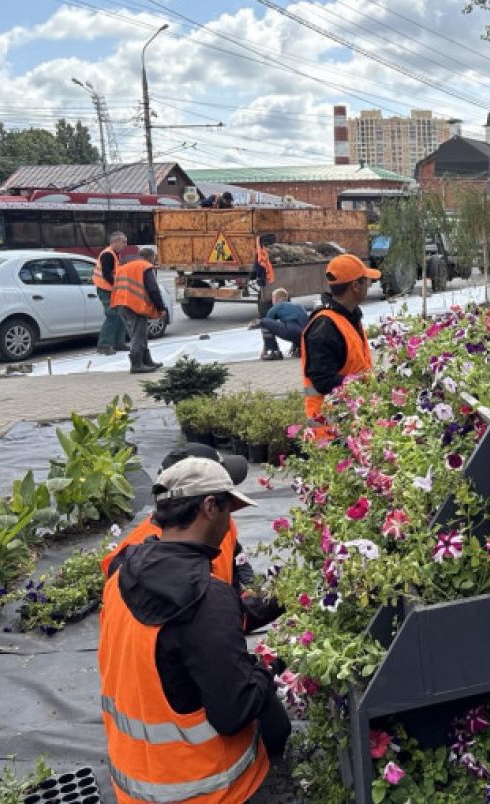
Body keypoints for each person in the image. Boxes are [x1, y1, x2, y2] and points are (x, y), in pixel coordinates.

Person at [98, 458, 290, 802]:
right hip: (208, 789)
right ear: (209, 506)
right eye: (229, 508)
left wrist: (281, 598)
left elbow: (189, 634)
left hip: (135, 784)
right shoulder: (206, 597)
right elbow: (235, 712)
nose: (231, 522)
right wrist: (268, 669)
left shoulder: (124, 568)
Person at [103, 444, 251, 587]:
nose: (228, 505)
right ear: (208, 506)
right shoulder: (129, 566)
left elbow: (237, 560)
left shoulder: (217, 523)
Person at [301, 253, 378, 426]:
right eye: (367, 281)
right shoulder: (324, 327)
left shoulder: (349, 318)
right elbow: (323, 381)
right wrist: (365, 381)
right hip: (330, 433)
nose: (370, 285)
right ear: (355, 286)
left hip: (351, 423)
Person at [110, 245, 166, 374]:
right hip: (135, 305)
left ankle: (147, 361)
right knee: (138, 335)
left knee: (138, 334)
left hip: (120, 303)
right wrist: (161, 307)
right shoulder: (145, 266)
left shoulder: (124, 266)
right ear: (150, 257)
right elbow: (153, 289)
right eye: (154, 258)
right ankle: (137, 365)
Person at [94, 231, 130, 355]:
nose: (125, 245)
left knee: (120, 315)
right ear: (115, 242)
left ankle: (119, 343)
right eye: (123, 242)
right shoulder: (108, 254)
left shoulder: (114, 254)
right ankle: (104, 345)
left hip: (112, 290)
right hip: (106, 290)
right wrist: (117, 286)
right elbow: (107, 274)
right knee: (112, 315)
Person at [250, 288, 308, 361]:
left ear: (276, 298)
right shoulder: (298, 306)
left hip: (292, 331)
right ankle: (299, 348)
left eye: (273, 299)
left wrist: (264, 351)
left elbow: (268, 325)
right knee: (295, 327)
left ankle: (273, 351)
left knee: (264, 322)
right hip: (306, 335)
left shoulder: (277, 306)